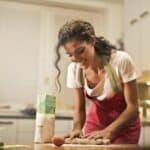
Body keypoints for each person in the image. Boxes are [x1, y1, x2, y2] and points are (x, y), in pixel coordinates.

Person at [54, 20, 141, 144]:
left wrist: (109, 130)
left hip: (124, 128)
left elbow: (133, 108)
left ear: (91, 41)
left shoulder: (121, 61)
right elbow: (79, 109)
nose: (76, 59)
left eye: (80, 51)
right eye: (70, 55)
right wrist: (77, 128)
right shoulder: (74, 70)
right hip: (95, 124)